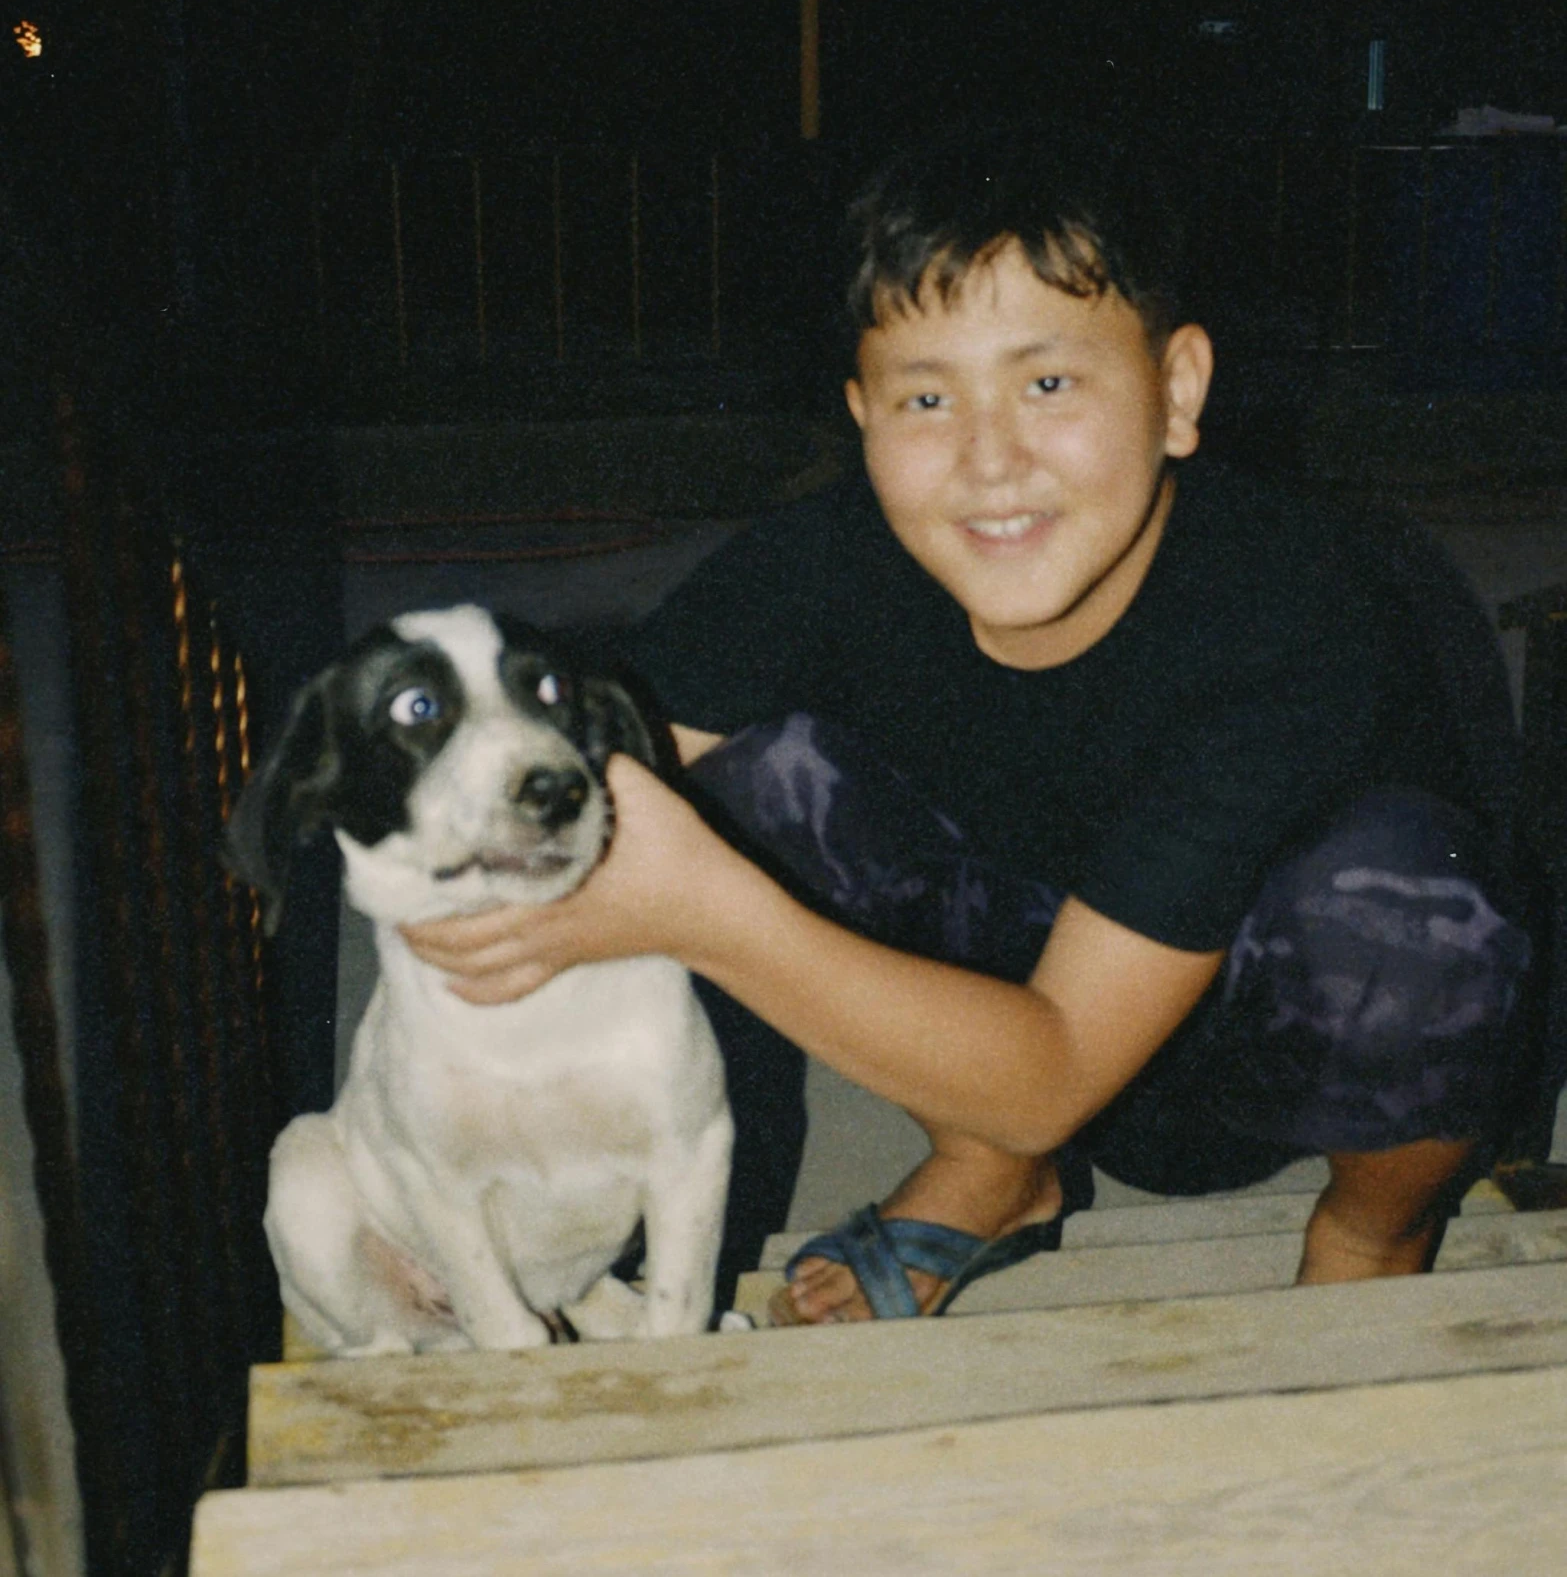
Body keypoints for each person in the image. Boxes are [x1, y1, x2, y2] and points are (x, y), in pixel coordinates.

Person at [403, 129, 1533, 1323]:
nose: (989, 461)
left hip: (1262, 1031)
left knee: (1418, 917)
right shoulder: (820, 560)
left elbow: (1054, 1069)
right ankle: (991, 1169)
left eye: (1049, 383)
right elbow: (570, 786)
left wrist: (706, 909)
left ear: (1177, 390)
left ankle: (1369, 1231)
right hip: (1006, 1008)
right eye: (927, 397)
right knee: (755, 769)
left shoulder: (1299, 608)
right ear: (862, 412)